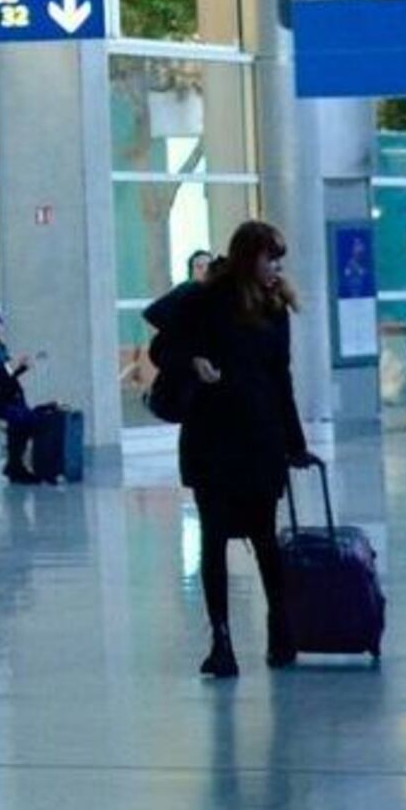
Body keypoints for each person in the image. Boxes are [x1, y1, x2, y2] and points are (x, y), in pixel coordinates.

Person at [148, 220, 315, 676]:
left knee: (264, 537)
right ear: (248, 257)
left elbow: (282, 378)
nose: (276, 266)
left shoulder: (274, 306)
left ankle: (280, 625)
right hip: (213, 435)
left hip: (260, 436)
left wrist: (295, 444)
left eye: (279, 257)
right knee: (214, 537)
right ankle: (221, 638)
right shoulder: (205, 300)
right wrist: (194, 360)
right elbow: (162, 347)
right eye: (269, 256)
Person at [0, 308, 56, 484]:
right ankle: (15, 466)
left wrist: (22, 367)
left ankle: (16, 464)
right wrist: (12, 367)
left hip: (7, 399)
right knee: (23, 418)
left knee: (29, 417)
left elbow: (6, 376)